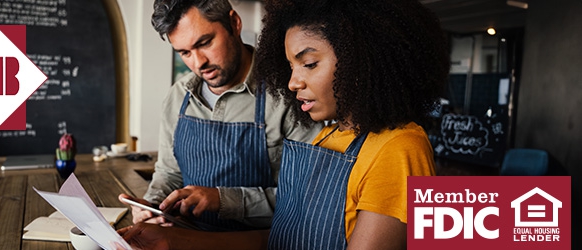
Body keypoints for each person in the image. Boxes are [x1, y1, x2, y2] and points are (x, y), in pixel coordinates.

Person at [117, 0, 450, 249]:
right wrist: (174, 241)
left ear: (361, 57)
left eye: (308, 63)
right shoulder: (332, 136)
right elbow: (281, 238)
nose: (291, 84)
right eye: (290, 66)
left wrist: (222, 203)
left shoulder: (399, 147)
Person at [118, 0, 322, 232]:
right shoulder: (178, 96)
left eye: (205, 43)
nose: (198, 63)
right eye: (184, 53)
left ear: (234, 23)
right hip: (188, 239)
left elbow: (310, 195)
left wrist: (224, 199)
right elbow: (169, 173)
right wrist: (152, 205)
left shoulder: (290, 94)